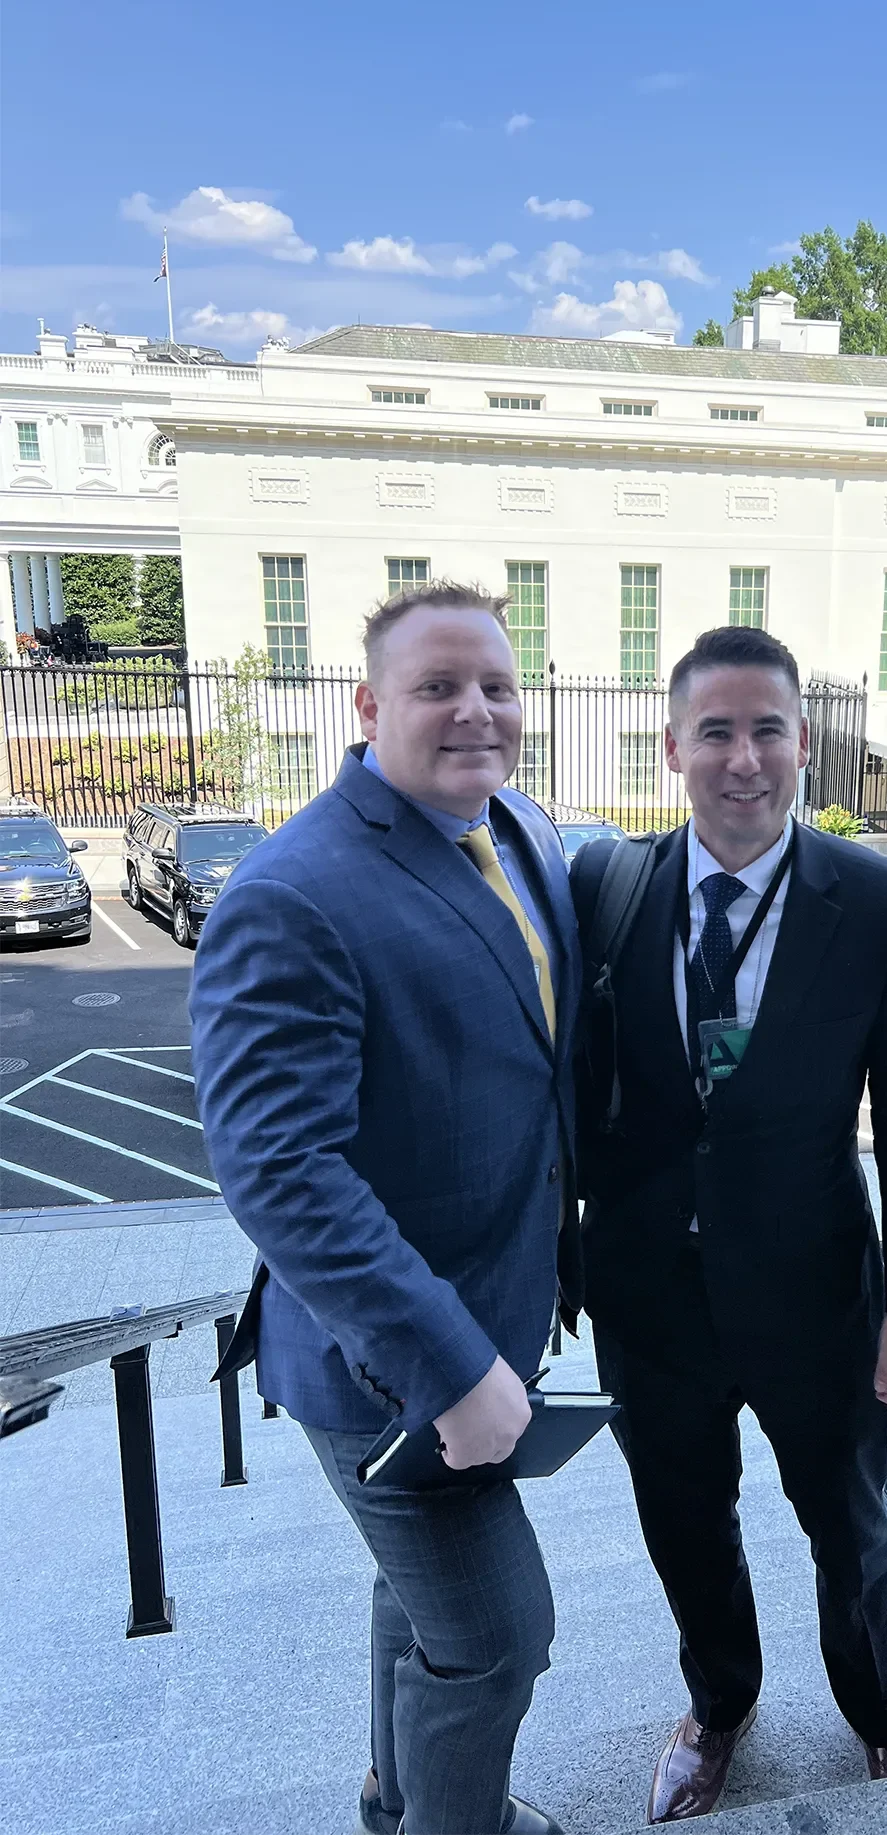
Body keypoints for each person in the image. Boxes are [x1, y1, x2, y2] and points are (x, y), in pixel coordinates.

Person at [190, 580, 580, 1835]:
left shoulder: (516, 825)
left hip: (492, 1307)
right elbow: (278, 1170)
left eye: (496, 687)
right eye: (436, 688)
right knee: (498, 1634)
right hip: (390, 1362)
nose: (474, 711)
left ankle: (394, 1793)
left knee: (419, 1602)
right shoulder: (291, 892)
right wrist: (452, 1367)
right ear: (366, 707)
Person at [571, 626, 887, 1824]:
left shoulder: (882, 902)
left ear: (803, 743)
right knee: (684, 1525)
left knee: (845, 1528)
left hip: (812, 1292)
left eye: (767, 731)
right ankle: (719, 1706)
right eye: (716, 733)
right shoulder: (607, 883)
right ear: (674, 745)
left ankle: (880, 1716)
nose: (743, 759)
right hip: (649, 1297)